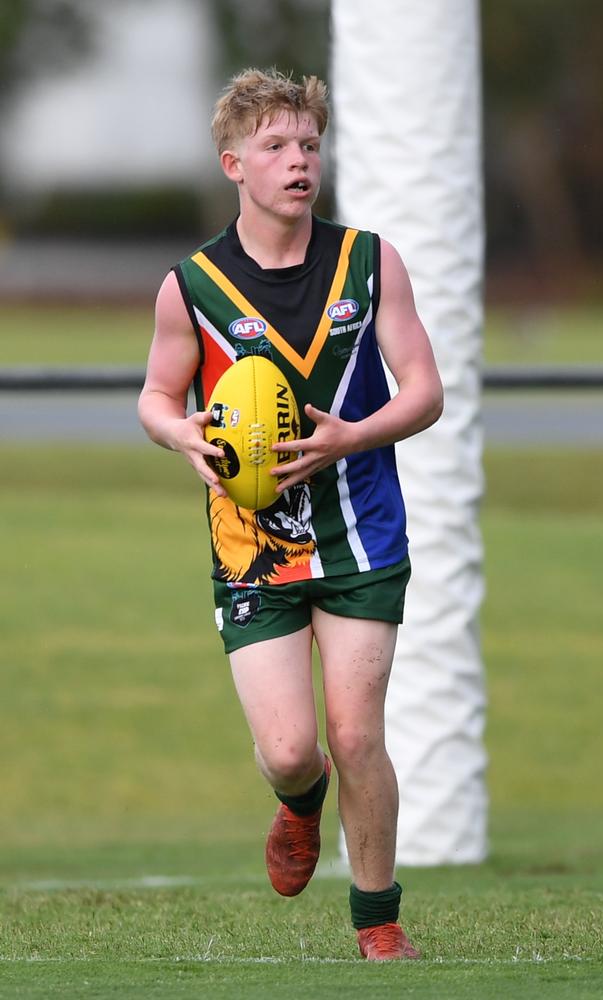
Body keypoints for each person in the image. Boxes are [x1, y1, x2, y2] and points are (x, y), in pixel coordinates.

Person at [138, 68, 443, 961]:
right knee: (289, 750)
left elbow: (424, 391)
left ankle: (378, 921)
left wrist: (353, 436)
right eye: (275, 146)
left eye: (308, 143)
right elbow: (156, 396)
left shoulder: (369, 261)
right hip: (255, 548)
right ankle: (297, 803)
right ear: (235, 163)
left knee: (357, 734)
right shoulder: (190, 286)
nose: (297, 160)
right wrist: (181, 436)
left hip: (362, 534)